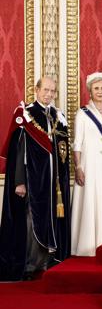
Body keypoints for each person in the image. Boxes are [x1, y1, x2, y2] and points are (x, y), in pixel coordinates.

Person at [0, 77, 71, 280]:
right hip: (33, 180)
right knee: (33, 221)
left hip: (52, 183)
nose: (49, 94)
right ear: (36, 90)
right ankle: (31, 265)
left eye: (52, 91)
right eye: (45, 90)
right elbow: (19, 151)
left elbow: (62, 151)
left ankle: (47, 262)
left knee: (50, 219)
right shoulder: (25, 114)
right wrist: (19, 181)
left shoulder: (57, 115)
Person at [72, 73, 102, 256]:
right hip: (89, 164)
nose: (100, 92)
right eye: (96, 89)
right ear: (90, 91)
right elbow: (77, 143)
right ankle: (88, 245)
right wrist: (78, 167)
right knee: (91, 200)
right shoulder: (82, 113)